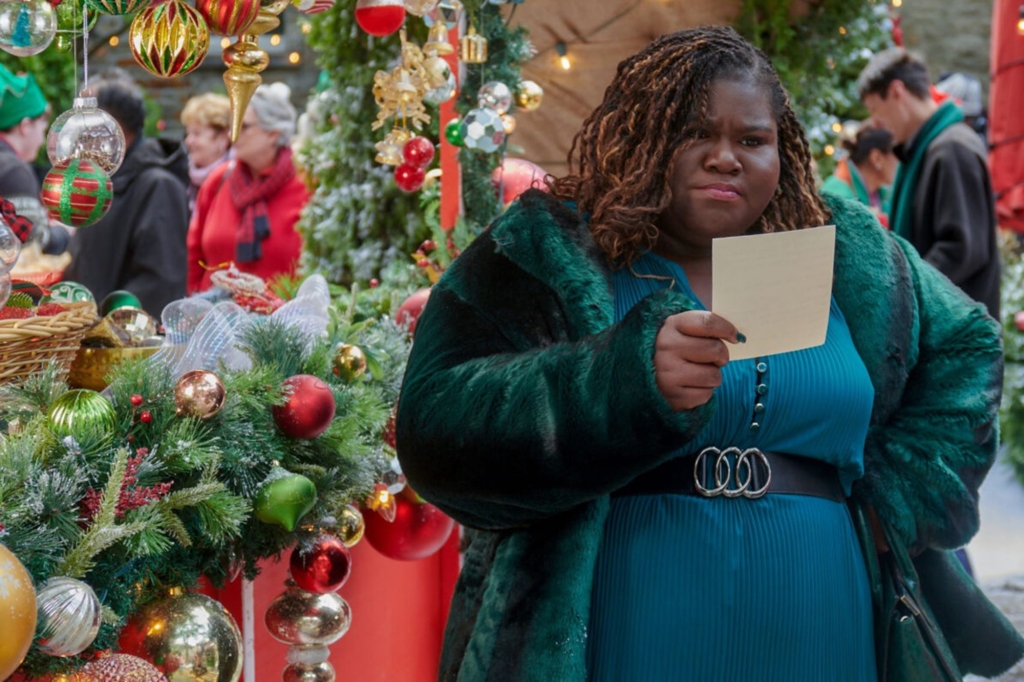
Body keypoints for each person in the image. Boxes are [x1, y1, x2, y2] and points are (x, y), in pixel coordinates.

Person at [395, 27, 1010, 681]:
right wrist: (616, 379)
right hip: (631, 610)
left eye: (752, 140)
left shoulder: (846, 250)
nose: (726, 158)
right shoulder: (547, 247)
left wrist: (904, 497)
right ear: (640, 135)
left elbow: (969, 348)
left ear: (782, 148)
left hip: (821, 609)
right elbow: (435, 418)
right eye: (695, 133)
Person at [857, 48, 999, 319]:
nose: (877, 123)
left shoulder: (952, 149)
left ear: (898, 92)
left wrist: (900, 290)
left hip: (958, 338)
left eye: (876, 110)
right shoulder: (929, 147)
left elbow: (963, 249)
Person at [63, 73, 190, 317]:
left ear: (112, 126)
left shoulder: (158, 186)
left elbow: (158, 284)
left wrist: (107, 329)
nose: (74, 133)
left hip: (124, 347)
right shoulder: (105, 181)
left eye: (82, 122)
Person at [186, 83, 309, 294]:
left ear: (273, 133)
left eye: (244, 127)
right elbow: (193, 256)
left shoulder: (306, 185)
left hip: (283, 322)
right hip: (215, 319)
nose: (233, 135)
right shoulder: (219, 180)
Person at [0, 64, 68, 254]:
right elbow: (33, 242)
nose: (41, 140)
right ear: (25, 125)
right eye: (42, 129)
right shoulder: (13, 170)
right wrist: (63, 233)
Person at [821, 123, 898, 226]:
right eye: (897, 153)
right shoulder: (835, 195)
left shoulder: (882, 193)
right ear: (877, 158)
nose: (901, 162)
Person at [180, 93, 232, 214]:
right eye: (188, 134)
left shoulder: (235, 179)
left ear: (223, 138)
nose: (188, 141)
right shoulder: (182, 176)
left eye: (197, 134)